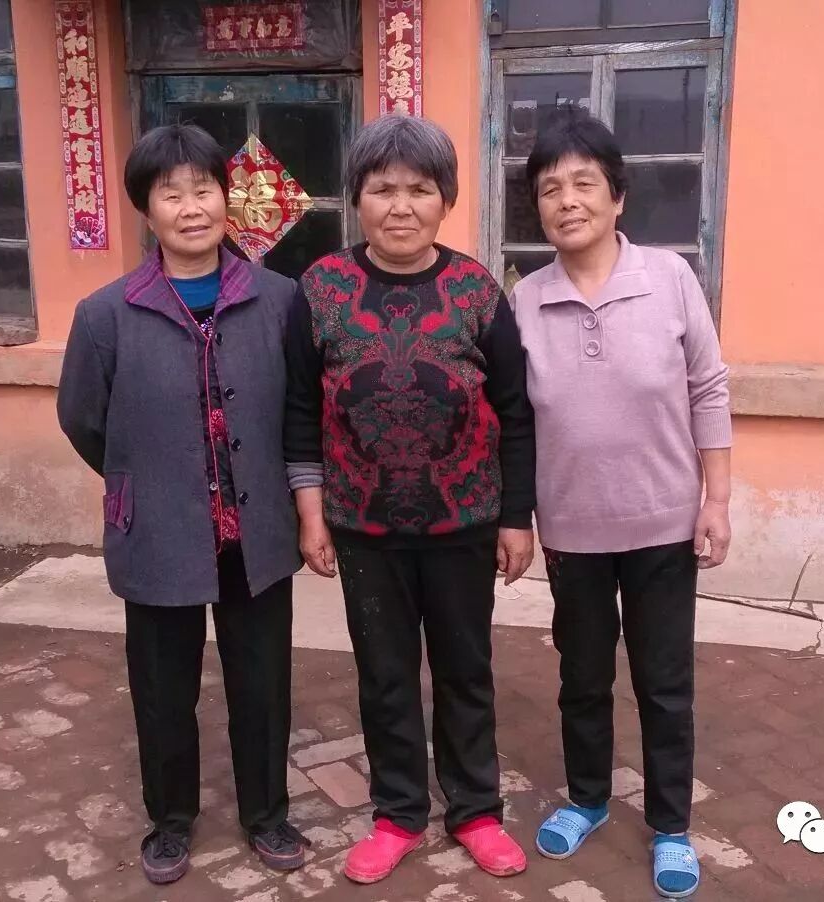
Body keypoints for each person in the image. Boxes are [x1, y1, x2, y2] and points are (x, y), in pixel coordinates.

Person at [283, 114, 536, 885]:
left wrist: (516, 518)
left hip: (464, 522)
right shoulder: (321, 289)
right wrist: (311, 513)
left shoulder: (476, 291)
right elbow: (299, 411)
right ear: (357, 198)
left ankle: (476, 810)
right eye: (382, 188)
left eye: (420, 189)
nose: (401, 206)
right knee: (385, 675)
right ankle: (397, 814)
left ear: (446, 199)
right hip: (364, 526)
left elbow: (516, 410)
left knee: (465, 671)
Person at [57, 124, 308, 887]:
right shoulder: (105, 315)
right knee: (164, 689)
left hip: (255, 531)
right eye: (172, 194)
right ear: (147, 209)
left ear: (227, 201)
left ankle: (266, 813)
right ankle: (169, 821)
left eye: (204, 190)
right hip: (160, 530)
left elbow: (301, 409)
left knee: (262, 682)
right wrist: (143, 480)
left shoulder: (278, 300)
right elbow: (83, 419)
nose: (191, 208)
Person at [509, 116, 732, 899]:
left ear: (617, 196)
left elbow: (708, 387)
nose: (566, 201)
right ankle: (588, 799)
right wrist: (517, 519)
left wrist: (717, 499)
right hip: (571, 529)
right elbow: (513, 419)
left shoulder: (669, 279)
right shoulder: (525, 299)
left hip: (663, 524)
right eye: (549, 189)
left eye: (583, 184)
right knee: (582, 676)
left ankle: (670, 825)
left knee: (664, 684)